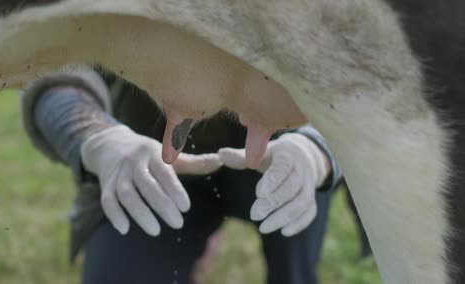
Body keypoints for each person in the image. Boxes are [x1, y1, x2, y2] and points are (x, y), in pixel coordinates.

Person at [21, 66, 342, 284]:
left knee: (294, 222)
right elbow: (53, 64)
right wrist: (94, 134)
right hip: (155, 163)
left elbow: (361, 81)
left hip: (276, 158)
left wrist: (317, 148)